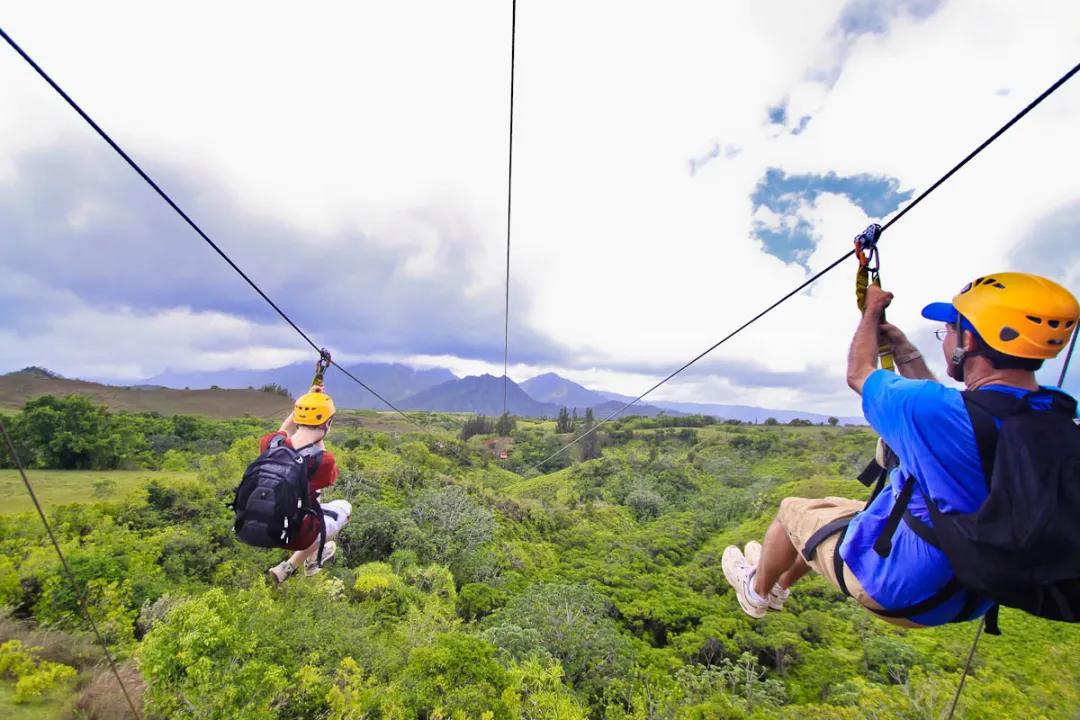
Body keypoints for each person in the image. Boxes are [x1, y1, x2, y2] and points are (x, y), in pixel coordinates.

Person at [721, 271, 1079, 626]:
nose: (945, 339)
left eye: (948, 330)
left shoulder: (935, 410)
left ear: (968, 341)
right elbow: (958, 414)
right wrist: (905, 353)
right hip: (971, 592)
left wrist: (870, 312)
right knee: (832, 509)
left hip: (901, 586)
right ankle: (779, 582)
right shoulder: (1054, 414)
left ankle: (757, 591)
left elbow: (859, 373)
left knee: (791, 510)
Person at [263, 386, 352, 584]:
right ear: (327, 423)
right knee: (345, 509)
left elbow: (285, 429)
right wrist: (320, 432)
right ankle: (295, 564)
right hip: (294, 534)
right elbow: (322, 459)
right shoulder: (323, 462)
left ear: (297, 417)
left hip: (263, 525)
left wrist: (308, 400)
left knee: (314, 494)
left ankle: (308, 559)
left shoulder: (271, 444)